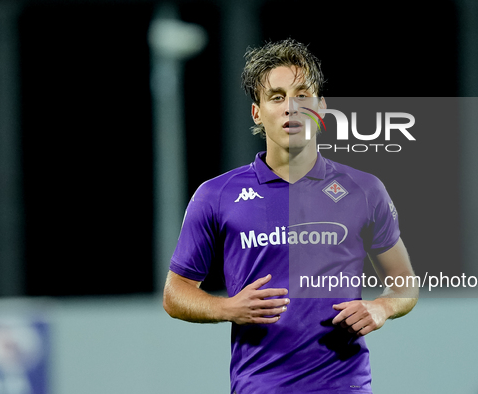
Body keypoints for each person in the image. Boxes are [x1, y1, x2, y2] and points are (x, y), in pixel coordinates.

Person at [163, 38, 418, 394]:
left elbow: (405, 282)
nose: (291, 107)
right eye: (277, 97)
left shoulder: (364, 189)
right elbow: (175, 293)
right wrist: (227, 308)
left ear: (321, 107)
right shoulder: (216, 195)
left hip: (345, 386)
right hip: (261, 386)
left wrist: (382, 308)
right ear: (257, 113)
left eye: (302, 94)